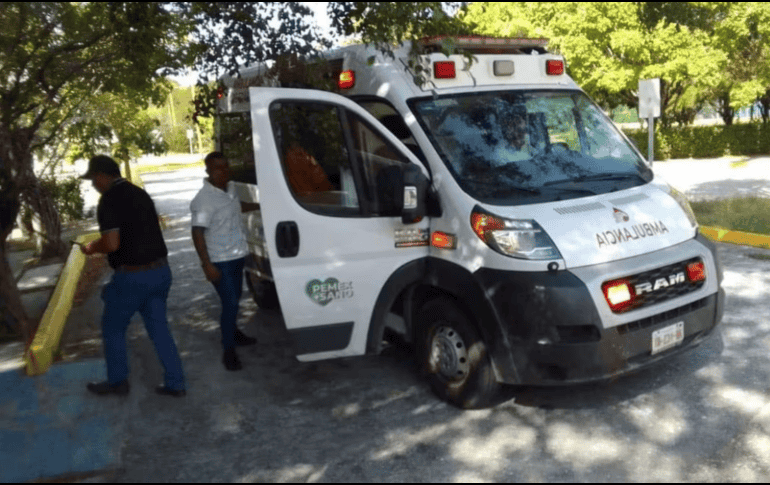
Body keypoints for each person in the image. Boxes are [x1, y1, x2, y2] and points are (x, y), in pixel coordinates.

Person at [80, 155, 186, 397]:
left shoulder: (109, 201)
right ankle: (176, 383)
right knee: (160, 330)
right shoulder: (140, 193)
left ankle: (118, 382)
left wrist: (92, 248)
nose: (94, 184)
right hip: (160, 272)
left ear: (104, 176)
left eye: (95, 178)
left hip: (133, 278)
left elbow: (112, 243)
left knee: (112, 328)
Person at [190, 152, 259, 371]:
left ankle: (234, 333)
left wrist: (263, 204)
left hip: (237, 255)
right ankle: (228, 350)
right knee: (230, 304)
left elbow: (239, 207)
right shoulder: (203, 200)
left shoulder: (230, 190)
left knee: (234, 300)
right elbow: (197, 233)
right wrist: (206, 265)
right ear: (208, 171)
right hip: (220, 261)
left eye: (226, 167)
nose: (224, 172)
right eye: (218, 168)